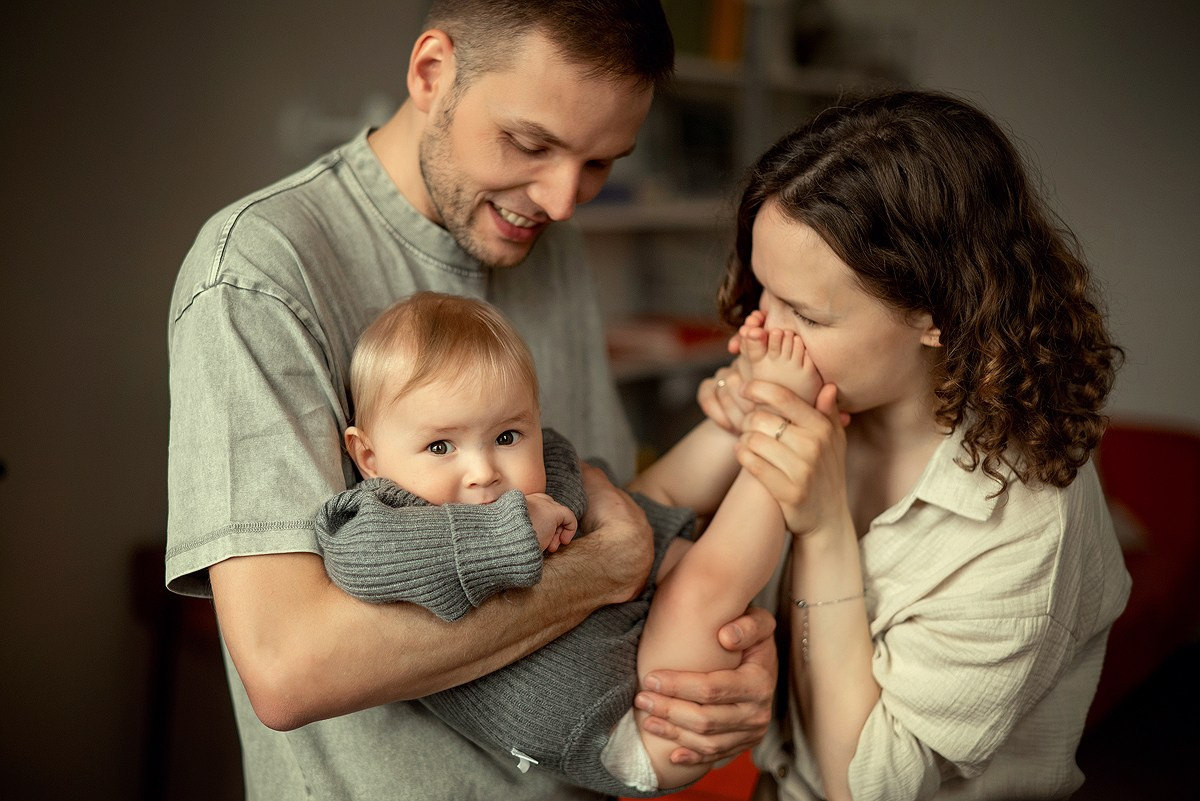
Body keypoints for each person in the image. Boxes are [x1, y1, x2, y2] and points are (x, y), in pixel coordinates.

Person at [165, 2, 776, 800]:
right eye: (530, 143)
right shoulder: (258, 273)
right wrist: (606, 568)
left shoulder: (545, 241)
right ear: (431, 73)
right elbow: (290, 669)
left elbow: (608, 507)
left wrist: (727, 667)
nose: (563, 200)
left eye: (600, 162)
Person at [692, 89, 1131, 801]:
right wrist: (725, 426)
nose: (759, 331)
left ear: (940, 313)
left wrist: (825, 527)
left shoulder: (1026, 524)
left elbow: (863, 788)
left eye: (804, 313)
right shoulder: (817, 392)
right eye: (762, 290)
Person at [313, 291, 819, 797]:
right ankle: (785, 430)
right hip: (632, 726)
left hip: (629, 631)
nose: (483, 472)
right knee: (701, 584)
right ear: (368, 457)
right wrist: (511, 530)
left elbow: (626, 509)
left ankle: (749, 406)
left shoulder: (538, 467)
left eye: (507, 436)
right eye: (440, 446)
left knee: (649, 498)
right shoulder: (382, 520)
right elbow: (361, 562)